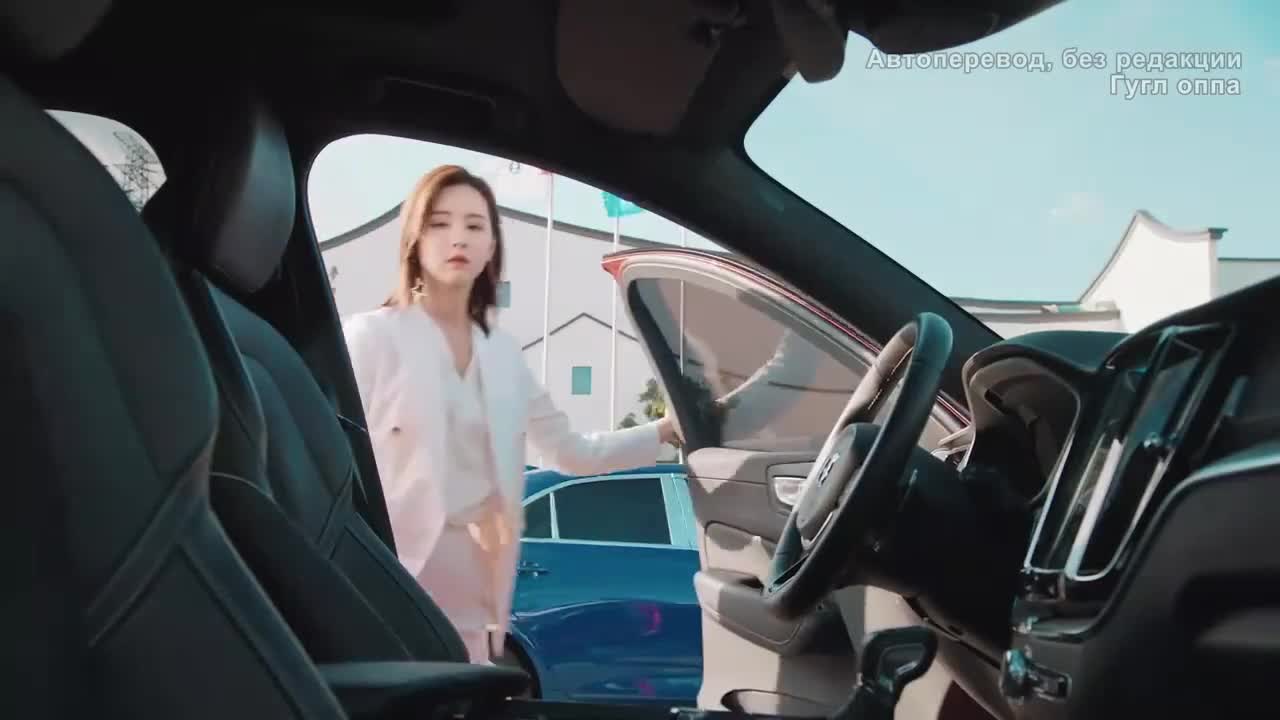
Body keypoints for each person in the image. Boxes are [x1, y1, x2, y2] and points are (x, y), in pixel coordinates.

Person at [342, 165, 680, 663]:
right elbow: (336, 464)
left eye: (474, 225)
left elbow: (573, 453)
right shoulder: (370, 338)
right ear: (414, 239)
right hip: (387, 597)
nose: (459, 238)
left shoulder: (501, 358)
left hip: (471, 608)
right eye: (441, 223)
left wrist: (665, 430)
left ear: (491, 247)